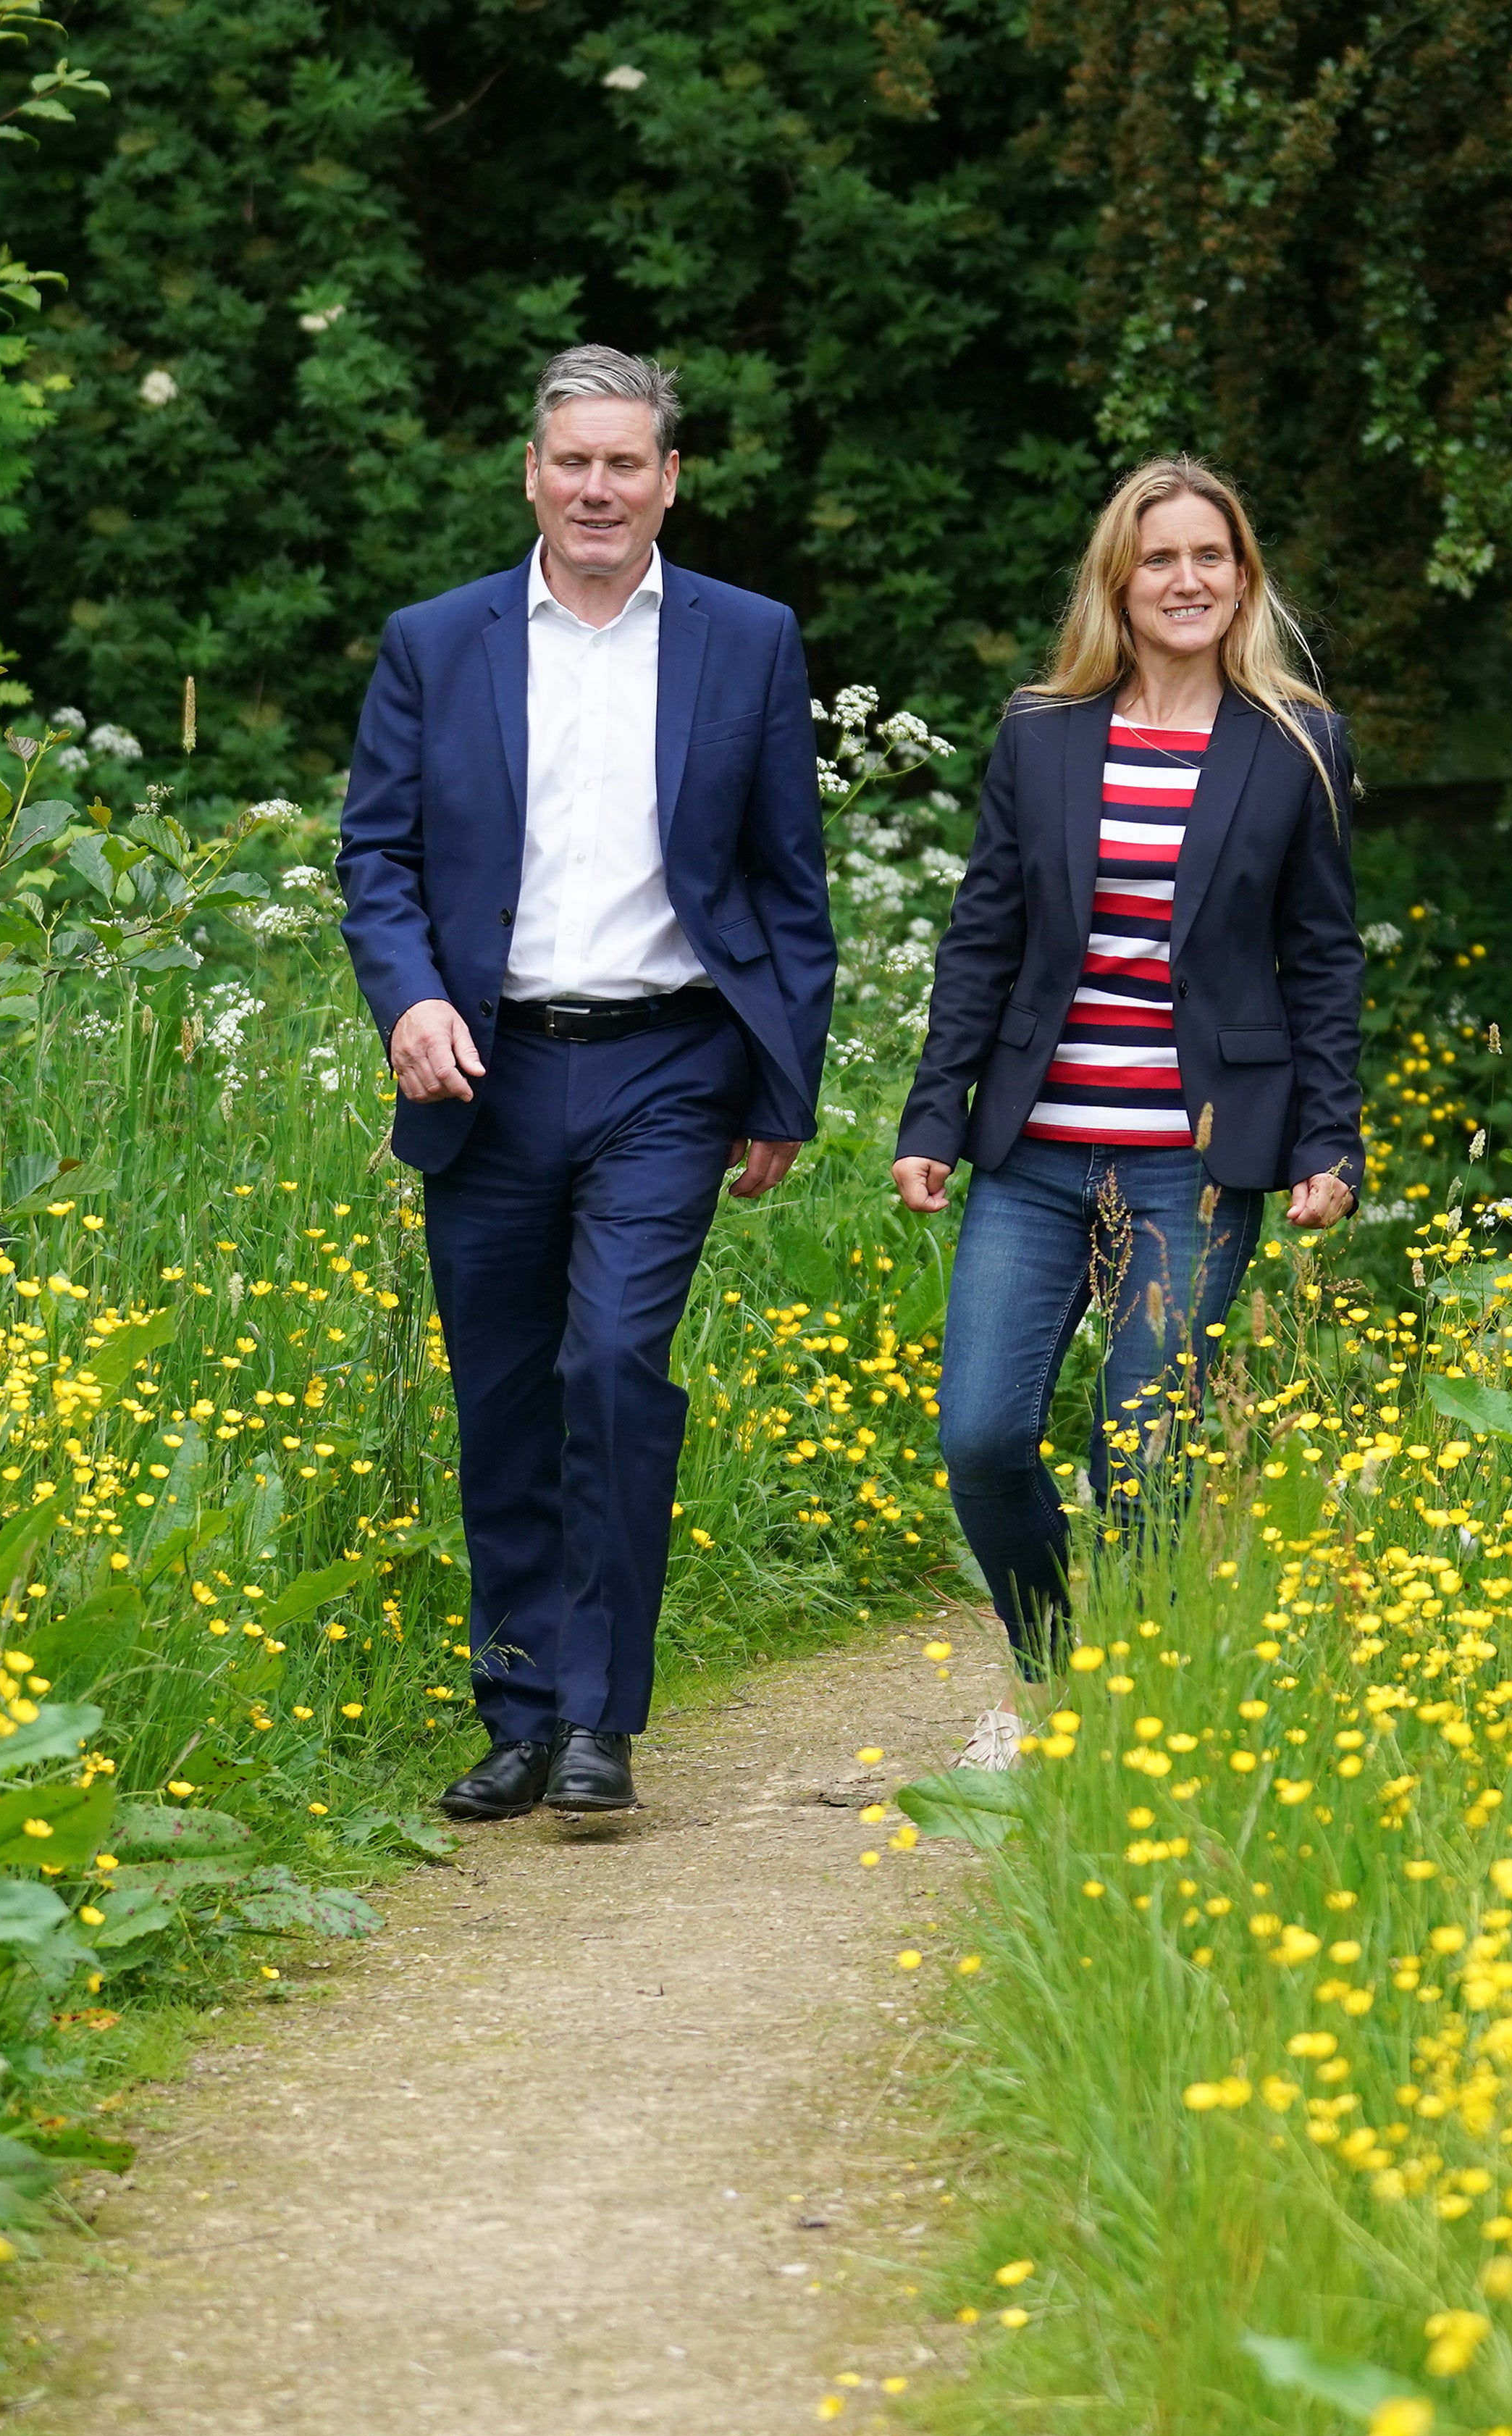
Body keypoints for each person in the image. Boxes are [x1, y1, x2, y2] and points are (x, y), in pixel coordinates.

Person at [338, 346, 838, 1820]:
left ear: (671, 478)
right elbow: (375, 859)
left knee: (611, 1363)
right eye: (575, 461)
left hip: (670, 1063)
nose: (600, 488)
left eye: (628, 463)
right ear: (532, 474)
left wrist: (783, 1086)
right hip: (482, 1072)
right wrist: (411, 998)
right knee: (500, 1392)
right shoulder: (440, 642)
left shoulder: (749, 640)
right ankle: (519, 1708)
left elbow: (786, 879)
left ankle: (600, 1718)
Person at [890, 456, 1363, 1685]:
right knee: (986, 1439)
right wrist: (931, 1117)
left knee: (1144, 1450)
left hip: (1193, 1166)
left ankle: (1138, 1701)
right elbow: (983, 937)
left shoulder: (1296, 743)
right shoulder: (1044, 735)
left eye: (1212, 555)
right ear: (1120, 580)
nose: (1187, 578)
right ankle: (1058, 1664)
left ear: (1243, 578)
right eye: (1160, 558)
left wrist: (1329, 1142)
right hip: (1036, 1151)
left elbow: (1320, 960)